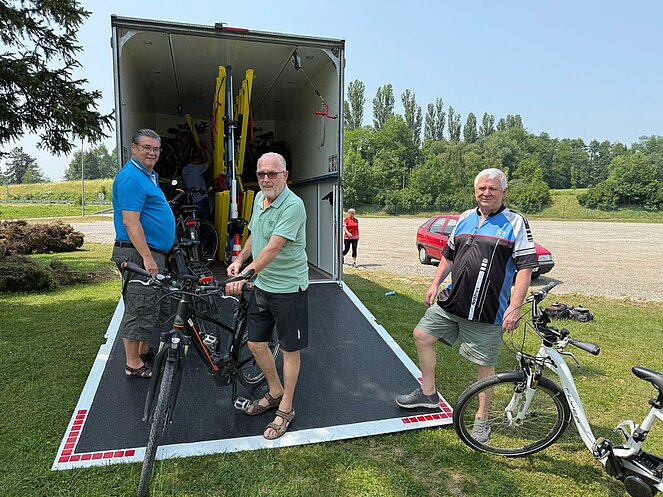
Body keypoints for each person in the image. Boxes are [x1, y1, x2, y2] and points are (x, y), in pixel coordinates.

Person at [396, 168, 537, 443]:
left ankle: (482, 419)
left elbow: (525, 267)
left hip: (487, 309)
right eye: (482, 188)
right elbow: (448, 255)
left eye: (492, 188)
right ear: (475, 191)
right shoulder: (464, 218)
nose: (486, 193)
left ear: (504, 192)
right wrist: (435, 284)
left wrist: (515, 306)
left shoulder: (516, 222)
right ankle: (428, 394)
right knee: (422, 335)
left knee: (484, 365)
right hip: (452, 301)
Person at [226, 152, 308, 440]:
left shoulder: (293, 206)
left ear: (285, 175)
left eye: (272, 173)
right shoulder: (260, 200)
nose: (266, 179)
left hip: (289, 290)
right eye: (261, 173)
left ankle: (286, 408)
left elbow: (273, 248)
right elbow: (255, 235)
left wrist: (246, 274)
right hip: (263, 286)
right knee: (256, 343)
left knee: (289, 350)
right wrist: (240, 260)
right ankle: (275, 392)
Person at [111, 129, 176, 379]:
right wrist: (147, 257)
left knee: (150, 304)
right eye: (146, 147)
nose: (152, 153)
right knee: (139, 306)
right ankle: (133, 364)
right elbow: (131, 222)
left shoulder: (147, 176)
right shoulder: (131, 178)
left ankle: (143, 350)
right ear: (134, 148)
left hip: (149, 251)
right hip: (139, 253)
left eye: (156, 149)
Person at [181, 142, 213, 222]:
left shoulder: (184, 170)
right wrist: (205, 148)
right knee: (205, 222)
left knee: (192, 221)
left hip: (190, 201)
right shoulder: (198, 169)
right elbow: (210, 161)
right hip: (201, 200)